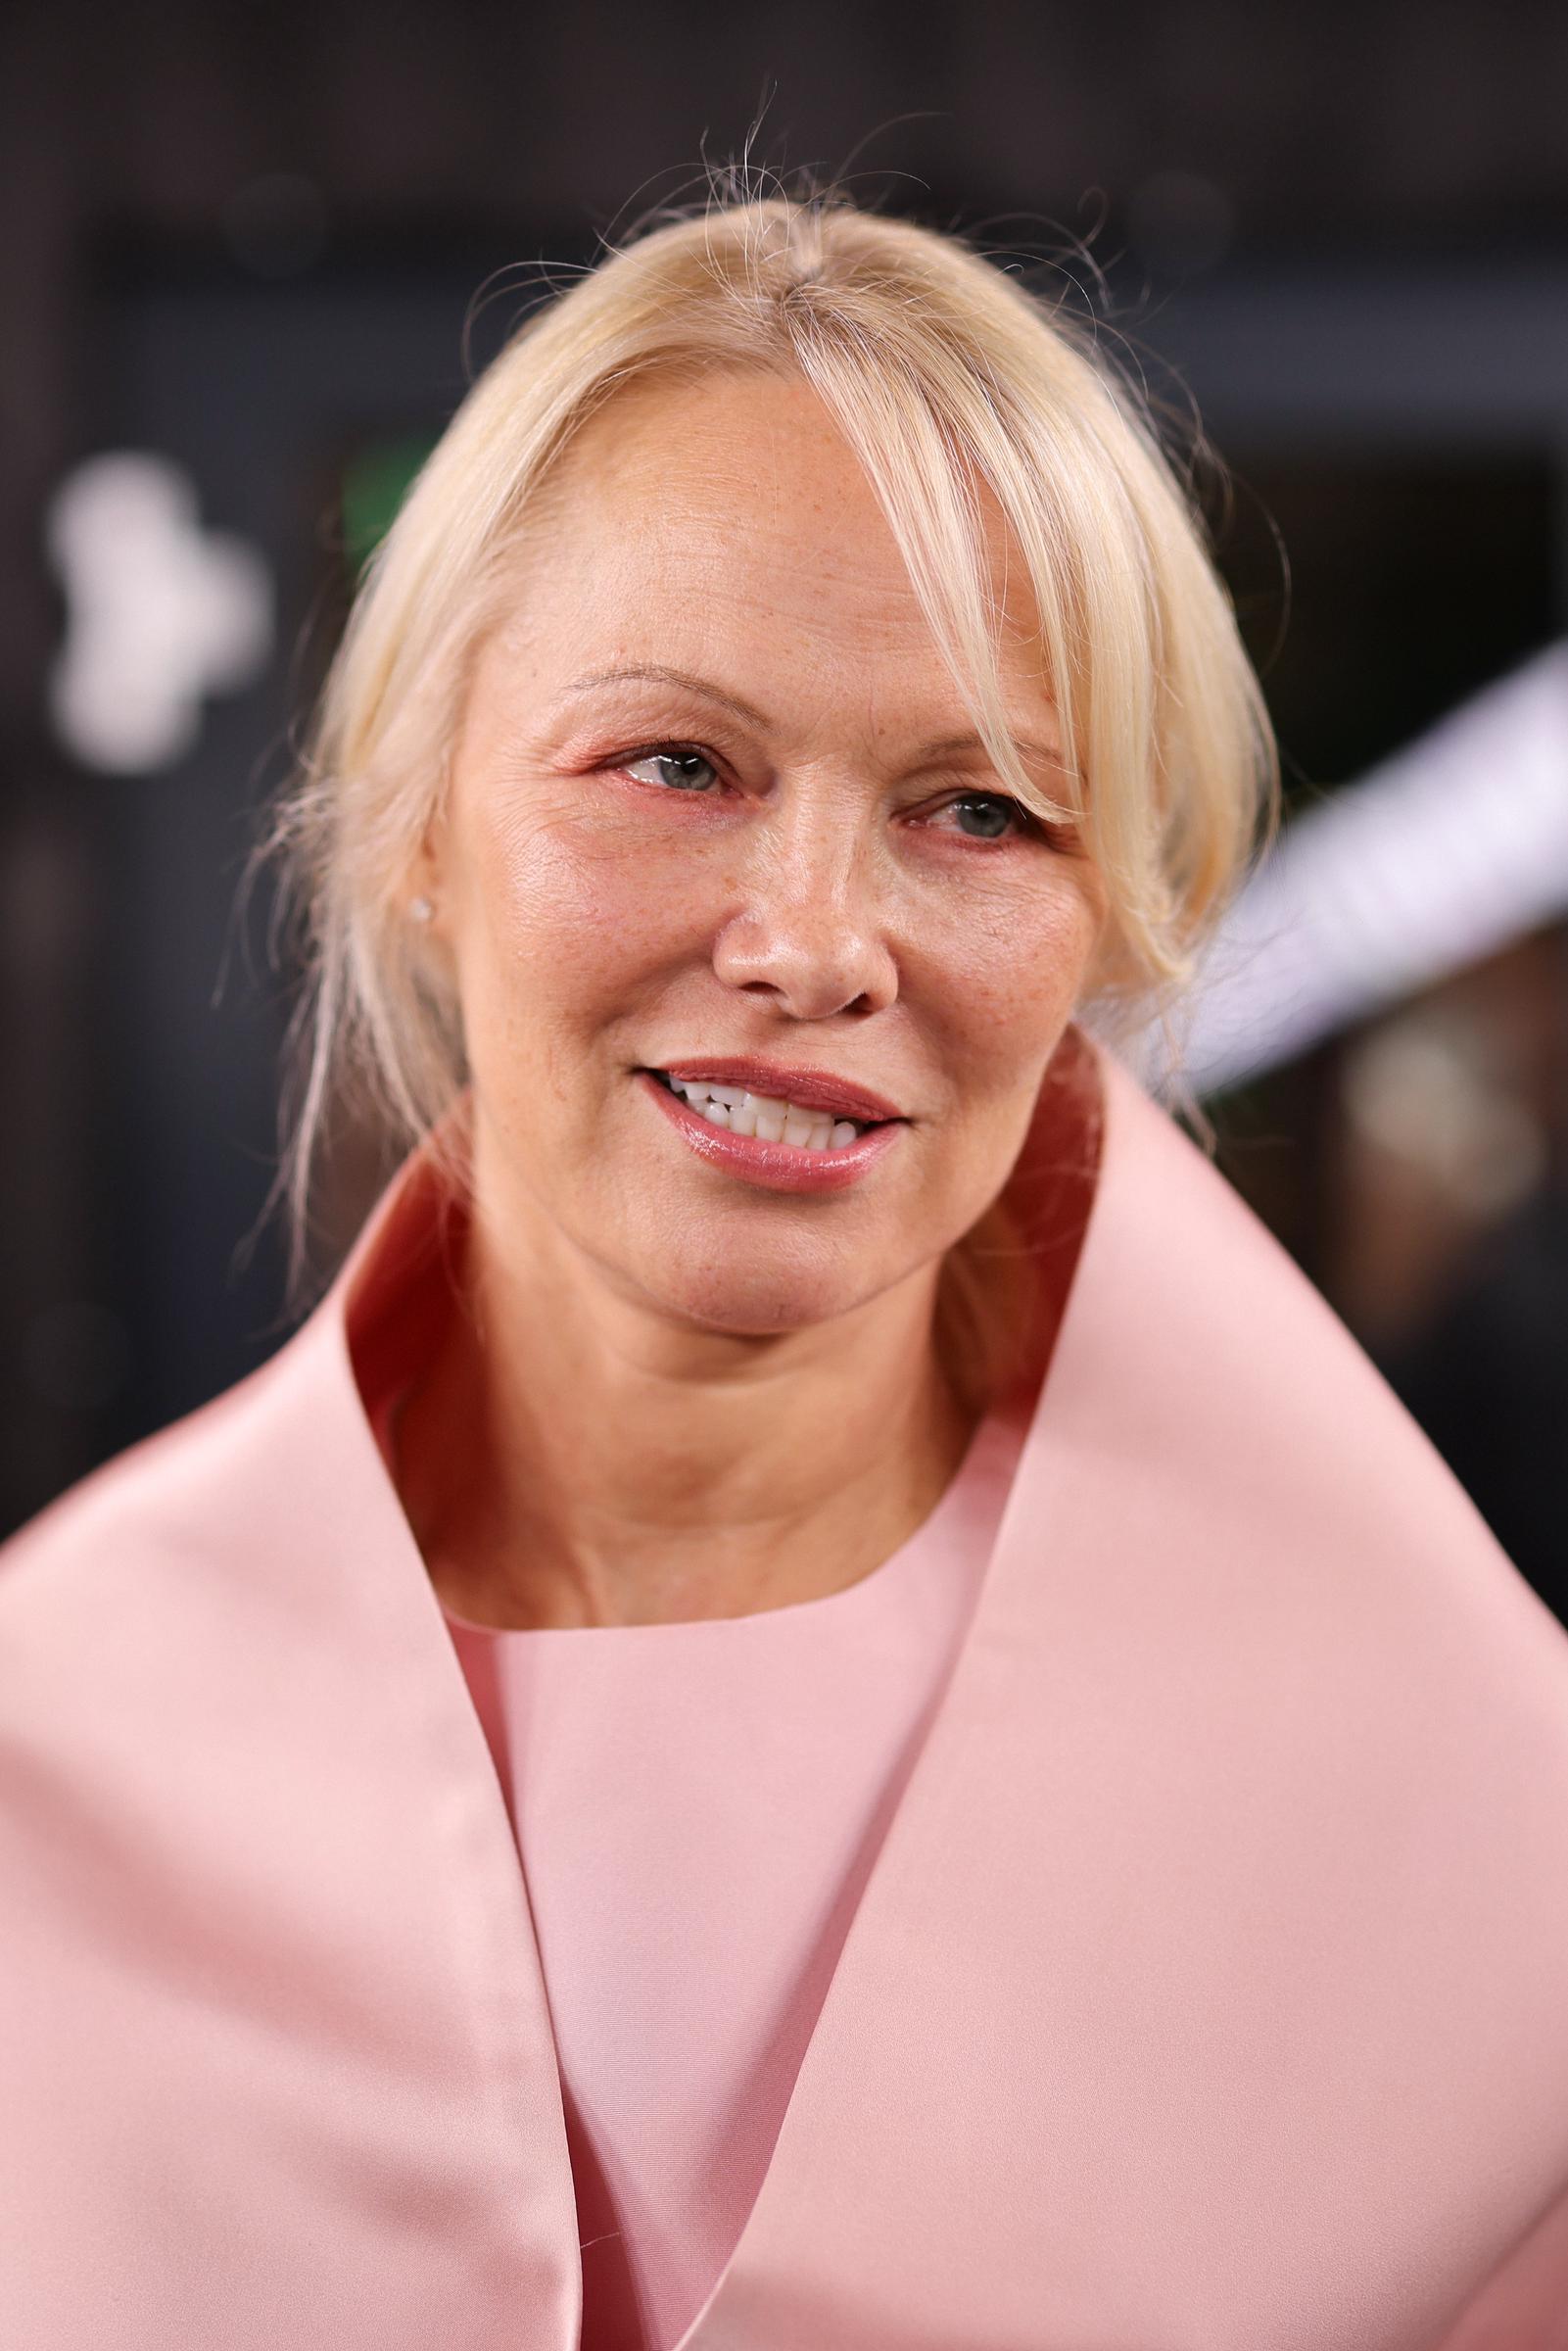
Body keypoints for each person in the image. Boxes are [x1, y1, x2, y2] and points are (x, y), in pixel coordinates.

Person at [5, 186, 1568, 2351]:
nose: (818, 944)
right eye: (673, 764)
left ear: (1112, 922)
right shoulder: (49, 1740)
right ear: (417, 828)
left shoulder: (1483, 1833)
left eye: (983, 813)